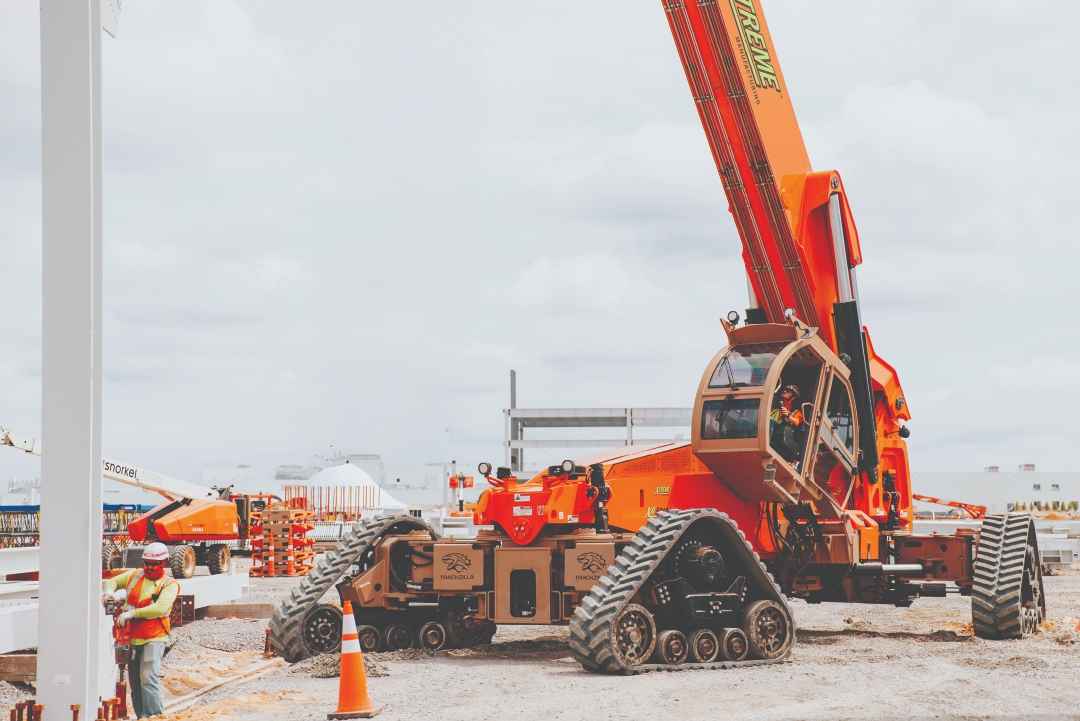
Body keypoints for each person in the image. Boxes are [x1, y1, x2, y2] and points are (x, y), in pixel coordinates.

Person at [102, 542, 179, 719]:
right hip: (133, 636)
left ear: (164, 563)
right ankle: (141, 716)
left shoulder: (169, 584)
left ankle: (155, 716)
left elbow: (160, 608)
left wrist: (131, 614)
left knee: (148, 677)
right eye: (147, 563)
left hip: (155, 636)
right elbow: (111, 581)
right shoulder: (136, 576)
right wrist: (109, 593)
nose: (150, 568)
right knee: (135, 682)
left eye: (155, 564)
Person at [770, 384, 805, 463]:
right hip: (772, 434)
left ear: (794, 397)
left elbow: (797, 422)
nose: (784, 391)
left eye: (788, 391)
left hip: (786, 438)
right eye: (785, 389)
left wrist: (788, 415)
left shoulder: (796, 411)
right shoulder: (775, 407)